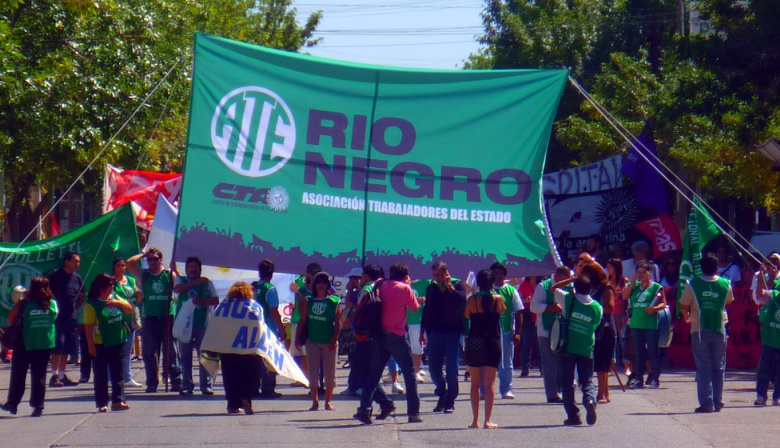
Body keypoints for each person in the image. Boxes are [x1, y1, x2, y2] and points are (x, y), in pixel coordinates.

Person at [355, 262, 422, 424]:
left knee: (374, 375)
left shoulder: (382, 285)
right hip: (397, 336)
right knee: (409, 374)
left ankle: (364, 410)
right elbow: (414, 308)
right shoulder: (405, 288)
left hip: (380, 334)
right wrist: (408, 287)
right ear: (406, 275)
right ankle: (413, 413)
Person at [679, 253, 734, 413]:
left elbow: (683, 304)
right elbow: (729, 300)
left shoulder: (693, 283)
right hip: (720, 328)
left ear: (701, 267)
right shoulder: (725, 283)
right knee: (719, 366)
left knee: (703, 367)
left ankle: (707, 403)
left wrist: (686, 316)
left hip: (699, 329)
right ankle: (718, 401)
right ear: (717, 267)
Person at [1, 277, 58, 417]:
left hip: (25, 342)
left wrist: (22, 300)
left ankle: (12, 403)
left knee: (18, 374)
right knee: (39, 375)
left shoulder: (25, 303)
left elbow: (10, 319)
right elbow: (55, 318)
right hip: (45, 343)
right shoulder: (52, 303)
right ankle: (38, 406)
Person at [127, 247, 182, 393]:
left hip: (167, 317)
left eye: (155, 259)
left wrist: (176, 270)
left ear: (161, 260)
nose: (152, 262)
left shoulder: (168, 275)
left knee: (171, 351)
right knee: (149, 352)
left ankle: (176, 380)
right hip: (150, 318)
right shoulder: (144, 275)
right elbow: (130, 263)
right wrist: (144, 253)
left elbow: (181, 285)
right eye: (150, 259)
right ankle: (152, 382)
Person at [551, 276, 603, 426]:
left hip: (568, 346)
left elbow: (553, 288)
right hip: (586, 347)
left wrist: (570, 279)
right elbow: (595, 325)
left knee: (567, 383)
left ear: (575, 288)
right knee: (587, 380)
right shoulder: (597, 307)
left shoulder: (568, 299)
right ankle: (590, 399)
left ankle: (573, 415)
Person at [421, 261, 466, 414]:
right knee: (433, 367)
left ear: (446, 273)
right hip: (435, 332)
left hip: (453, 332)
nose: (437, 278)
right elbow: (427, 310)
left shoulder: (458, 285)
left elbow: (461, 301)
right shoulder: (431, 288)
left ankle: (450, 399)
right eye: (434, 275)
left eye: (440, 275)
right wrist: (422, 331)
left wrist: (449, 287)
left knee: (452, 367)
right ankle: (442, 391)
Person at [84, 273, 134, 412]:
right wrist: (90, 345)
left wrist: (117, 302)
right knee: (101, 374)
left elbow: (129, 309)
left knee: (118, 373)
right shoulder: (92, 305)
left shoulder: (115, 298)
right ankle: (102, 403)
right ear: (102, 287)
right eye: (110, 285)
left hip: (117, 340)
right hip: (101, 343)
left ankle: (118, 401)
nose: (112, 288)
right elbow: (88, 326)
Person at [464, 269, 506, 429]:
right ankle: (488, 420)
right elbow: (503, 310)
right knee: (490, 384)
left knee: (475, 384)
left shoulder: (472, 300)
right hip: (493, 341)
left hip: (475, 341)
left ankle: (475, 420)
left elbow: (467, 315)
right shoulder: (498, 299)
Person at [172, 256, 219, 396]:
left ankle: (206, 385)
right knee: (185, 357)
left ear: (200, 269)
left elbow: (215, 300)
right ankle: (187, 385)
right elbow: (178, 288)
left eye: (195, 267)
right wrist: (195, 282)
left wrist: (201, 301)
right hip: (184, 326)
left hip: (201, 324)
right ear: (186, 269)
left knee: (203, 355)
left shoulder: (207, 283)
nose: (193, 269)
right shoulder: (182, 280)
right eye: (190, 267)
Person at [297, 272, 341, 411]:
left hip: (329, 341)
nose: (321, 284)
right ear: (314, 284)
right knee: (313, 372)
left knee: (330, 374)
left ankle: (327, 402)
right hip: (313, 340)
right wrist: (298, 337)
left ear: (328, 285)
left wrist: (334, 340)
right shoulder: (309, 300)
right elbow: (303, 319)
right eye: (318, 282)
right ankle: (314, 402)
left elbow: (338, 322)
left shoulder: (334, 301)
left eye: (324, 282)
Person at [217, 282, 260, 414]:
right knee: (248, 375)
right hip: (247, 346)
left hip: (228, 347)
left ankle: (232, 404)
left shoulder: (224, 307)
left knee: (230, 377)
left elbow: (217, 323)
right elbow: (259, 325)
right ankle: (246, 398)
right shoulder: (253, 307)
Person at [530, 265, 572, 403]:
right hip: (546, 330)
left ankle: (563, 390)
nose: (569, 281)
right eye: (566, 278)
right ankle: (552, 394)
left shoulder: (570, 287)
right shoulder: (543, 286)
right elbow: (533, 306)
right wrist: (550, 307)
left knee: (563, 362)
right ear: (558, 276)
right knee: (550, 364)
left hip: (565, 330)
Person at [624, 261, 667, 389]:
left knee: (653, 352)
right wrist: (632, 283)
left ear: (650, 273)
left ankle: (654, 377)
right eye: (639, 272)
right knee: (638, 352)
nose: (641, 275)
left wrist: (654, 309)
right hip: (636, 324)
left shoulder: (656, 287)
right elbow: (624, 296)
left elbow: (663, 303)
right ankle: (638, 378)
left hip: (650, 324)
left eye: (644, 272)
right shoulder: (635, 286)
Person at [47, 251, 84, 388]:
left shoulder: (77, 278)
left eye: (79, 262)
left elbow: (82, 296)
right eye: (75, 261)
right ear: (66, 261)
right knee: (58, 345)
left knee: (67, 345)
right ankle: (54, 375)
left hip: (71, 316)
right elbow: (45, 292)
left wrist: (75, 308)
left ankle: (62, 375)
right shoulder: (54, 275)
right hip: (56, 316)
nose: (77, 264)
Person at [581, 261, 615, 403]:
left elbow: (610, 307)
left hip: (605, 329)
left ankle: (601, 393)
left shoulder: (606, 288)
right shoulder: (591, 289)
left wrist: (593, 308)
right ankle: (605, 392)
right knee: (599, 362)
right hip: (594, 328)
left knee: (603, 362)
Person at [489, 262, 523, 398]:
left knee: (506, 362)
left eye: (501, 273)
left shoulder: (511, 290)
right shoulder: (487, 289)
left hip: (506, 331)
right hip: (489, 332)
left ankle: (506, 389)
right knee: (487, 362)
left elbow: (519, 311)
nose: (498, 276)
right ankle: (485, 390)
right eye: (495, 273)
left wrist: (518, 333)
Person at [254, 259, 286, 399]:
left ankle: (253, 388)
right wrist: (281, 328)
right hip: (268, 329)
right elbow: (273, 310)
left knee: (255, 359)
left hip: (253, 328)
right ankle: (268, 389)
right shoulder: (270, 289)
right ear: (271, 273)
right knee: (269, 359)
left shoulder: (252, 287)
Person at [112, 257, 143, 389]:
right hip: (117, 318)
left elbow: (138, 296)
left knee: (127, 349)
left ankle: (127, 377)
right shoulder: (112, 282)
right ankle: (112, 377)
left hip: (130, 318)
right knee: (115, 350)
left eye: (123, 266)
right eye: (119, 266)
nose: (122, 268)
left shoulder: (130, 280)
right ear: (114, 267)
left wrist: (140, 293)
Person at [289, 263, 322, 385]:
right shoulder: (301, 287)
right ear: (307, 274)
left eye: (315, 275)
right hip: (297, 321)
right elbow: (298, 302)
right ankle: (299, 377)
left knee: (308, 353)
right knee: (296, 351)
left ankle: (309, 379)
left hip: (312, 324)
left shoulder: (320, 288)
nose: (313, 277)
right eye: (312, 274)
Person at [754, 260, 780, 406]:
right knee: (764, 369)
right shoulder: (775, 294)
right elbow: (760, 294)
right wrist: (761, 278)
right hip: (770, 338)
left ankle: (778, 396)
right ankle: (761, 396)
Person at [607, 258, 630, 377]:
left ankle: (627, 366)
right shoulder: (607, 281)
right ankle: (613, 366)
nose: (608, 269)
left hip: (621, 313)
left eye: (610, 267)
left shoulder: (623, 281)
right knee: (612, 340)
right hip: (610, 313)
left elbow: (625, 300)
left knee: (623, 340)